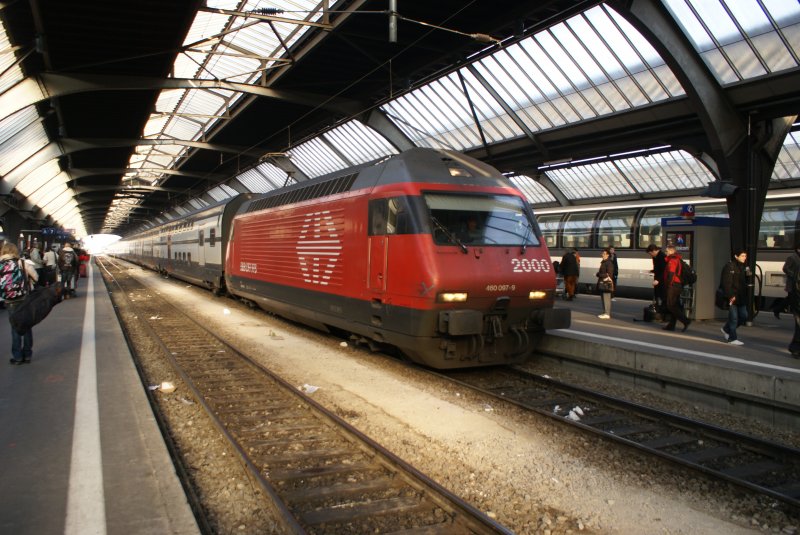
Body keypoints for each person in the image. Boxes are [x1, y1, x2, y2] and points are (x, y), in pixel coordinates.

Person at [0, 243, 38, 364]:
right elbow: (36, 277)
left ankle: (17, 357)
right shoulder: (22, 263)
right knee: (26, 326)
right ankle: (27, 355)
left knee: (15, 328)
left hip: (9, 301)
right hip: (24, 299)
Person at [720, 248, 750, 345]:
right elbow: (726, 283)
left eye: (745, 256)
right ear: (736, 256)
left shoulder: (744, 267)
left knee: (744, 316)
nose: (744, 258)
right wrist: (730, 295)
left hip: (741, 297)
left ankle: (726, 329)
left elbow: (747, 279)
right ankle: (732, 338)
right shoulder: (729, 267)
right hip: (732, 296)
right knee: (733, 318)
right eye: (742, 256)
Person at [663, 244, 691, 332]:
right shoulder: (676, 259)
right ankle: (671, 325)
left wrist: (668, 285)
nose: (666, 253)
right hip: (677, 285)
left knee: (670, 305)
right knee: (675, 305)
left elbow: (671, 274)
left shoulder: (673, 260)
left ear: (672, 251)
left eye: (667, 251)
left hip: (674, 285)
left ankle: (685, 321)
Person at [782, 246, 800, 357]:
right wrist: (792, 274)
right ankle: (795, 348)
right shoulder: (792, 257)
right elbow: (785, 268)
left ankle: (795, 348)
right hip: (795, 292)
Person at [646, 244, 667, 314]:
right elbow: (658, 268)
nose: (650, 255)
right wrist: (652, 270)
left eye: (650, 253)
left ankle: (663, 313)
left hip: (662, 281)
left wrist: (658, 280)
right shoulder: (655, 257)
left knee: (662, 296)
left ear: (654, 251)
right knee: (657, 295)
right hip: (657, 279)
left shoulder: (662, 256)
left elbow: (664, 270)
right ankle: (659, 311)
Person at [596, 247, 614, 319]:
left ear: (607, 255)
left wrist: (599, 274)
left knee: (606, 298)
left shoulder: (608, 263)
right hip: (602, 282)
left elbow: (609, 274)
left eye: (604, 254)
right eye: (602, 253)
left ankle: (607, 313)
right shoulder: (604, 262)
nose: (602, 255)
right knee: (603, 298)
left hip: (606, 283)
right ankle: (605, 312)